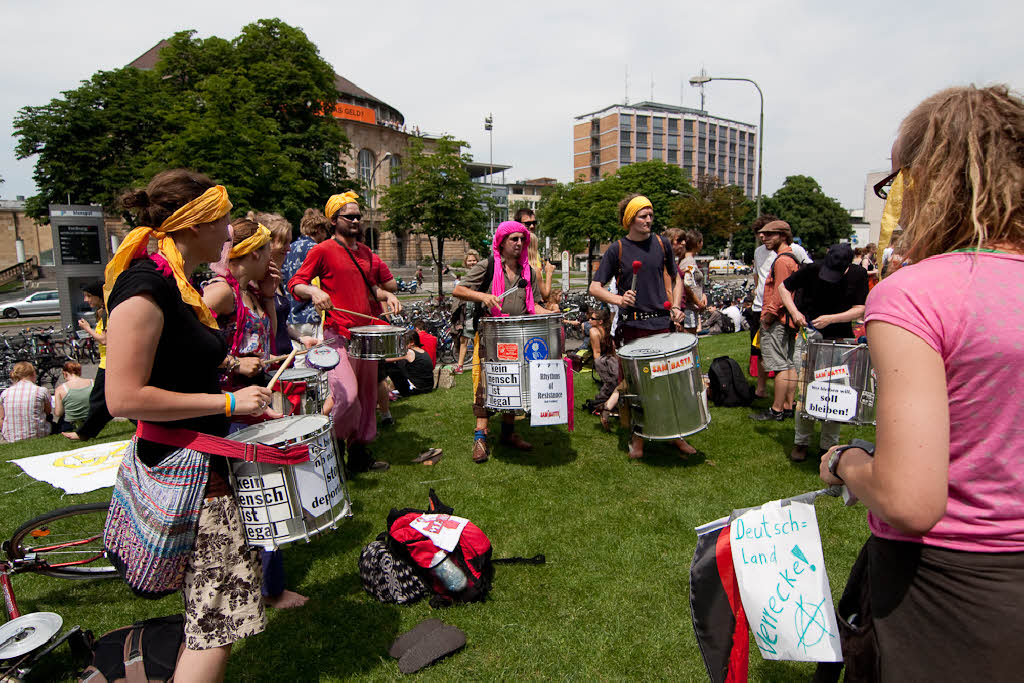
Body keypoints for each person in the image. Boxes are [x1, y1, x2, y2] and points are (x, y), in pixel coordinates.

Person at [818, 85, 1024, 681]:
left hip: (951, 588)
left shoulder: (916, 295)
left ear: (931, 180)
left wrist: (848, 462)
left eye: (897, 182)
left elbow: (911, 501)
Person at [102, 169, 271, 681]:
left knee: (207, 611)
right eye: (222, 220)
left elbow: (173, 362)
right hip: (190, 471)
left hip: (198, 460)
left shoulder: (177, 283)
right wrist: (228, 403)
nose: (229, 233)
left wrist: (229, 371)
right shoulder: (146, 288)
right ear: (194, 224)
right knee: (216, 623)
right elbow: (123, 396)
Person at [288, 191, 401, 473]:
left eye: (358, 216)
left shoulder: (365, 253)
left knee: (365, 397)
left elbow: (372, 288)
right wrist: (314, 290)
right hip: (337, 334)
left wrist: (386, 297)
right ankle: (333, 448)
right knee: (347, 396)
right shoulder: (322, 250)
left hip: (366, 335)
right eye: (348, 216)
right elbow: (296, 284)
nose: (355, 220)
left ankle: (359, 452)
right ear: (333, 219)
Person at [589, 194, 693, 460]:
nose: (649, 220)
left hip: (661, 322)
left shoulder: (661, 243)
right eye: (643, 216)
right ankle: (638, 439)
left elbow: (676, 276)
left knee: (668, 381)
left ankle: (675, 434)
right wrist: (618, 299)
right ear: (630, 220)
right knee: (637, 386)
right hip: (632, 325)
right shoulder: (617, 250)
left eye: (651, 215)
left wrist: (677, 307)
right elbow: (594, 287)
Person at [453, 220, 556, 462]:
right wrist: (483, 296)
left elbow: (534, 307)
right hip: (490, 335)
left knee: (515, 383)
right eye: (514, 239)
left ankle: (508, 433)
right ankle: (481, 437)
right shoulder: (487, 265)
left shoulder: (528, 271)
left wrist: (552, 315)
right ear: (501, 241)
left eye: (522, 239)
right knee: (485, 384)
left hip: (518, 336)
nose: (520, 243)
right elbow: (459, 290)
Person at [777, 243, 868, 461]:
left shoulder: (858, 274)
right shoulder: (812, 269)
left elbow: (861, 308)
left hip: (839, 338)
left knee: (835, 391)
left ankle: (829, 444)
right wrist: (794, 312)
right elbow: (783, 287)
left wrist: (832, 319)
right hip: (811, 335)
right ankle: (801, 441)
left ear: (847, 266)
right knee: (806, 389)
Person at [750, 215, 811, 399]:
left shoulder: (785, 258)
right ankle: (787, 403)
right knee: (784, 360)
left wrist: (770, 315)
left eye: (769, 234)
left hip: (776, 314)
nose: (763, 237)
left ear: (782, 235)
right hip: (772, 310)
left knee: (780, 364)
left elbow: (780, 290)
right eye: (762, 234)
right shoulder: (767, 254)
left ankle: (779, 407)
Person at [63, 281, 110, 441]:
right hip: (108, 363)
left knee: (97, 400)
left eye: (89, 296)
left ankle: (83, 433)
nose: (85, 299)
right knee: (108, 401)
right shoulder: (104, 311)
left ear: (98, 295)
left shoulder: (107, 312)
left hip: (109, 364)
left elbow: (104, 340)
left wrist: (87, 329)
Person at [281, 208, 330, 350]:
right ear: (319, 229)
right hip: (311, 314)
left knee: (299, 363)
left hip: (291, 316)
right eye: (324, 230)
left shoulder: (290, 247)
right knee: (316, 361)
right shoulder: (317, 249)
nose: (325, 235)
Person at [0, 362, 51, 442]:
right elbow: (48, 411)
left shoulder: (5, 393)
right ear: (33, 374)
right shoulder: (41, 391)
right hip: (37, 434)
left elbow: (2, 418)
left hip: (10, 437)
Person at [515, 208, 555, 306]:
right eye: (528, 224)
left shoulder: (535, 253)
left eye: (534, 223)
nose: (532, 226)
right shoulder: (516, 250)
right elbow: (545, 294)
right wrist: (549, 273)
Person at [588, 307, 619, 431]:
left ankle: (601, 404)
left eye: (592, 319)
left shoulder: (594, 331)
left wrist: (599, 367)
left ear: (600, 321)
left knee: (612, 383)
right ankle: (604, 405)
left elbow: (597, 352)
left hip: (604, 359)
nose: (589, 320)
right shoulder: (607, 329)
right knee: (612, 383)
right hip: (608, 359)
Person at [675, 229, 707, 334]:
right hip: (689, 308)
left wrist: (702, 295)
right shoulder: (689, 263)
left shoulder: (688, 261)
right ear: (698, 243)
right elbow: (686, 285)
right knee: (690, 338)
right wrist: (698, 303)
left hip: (692, 308)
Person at [453, 249, 481, 373]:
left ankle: (479, 363)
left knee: (479, 338)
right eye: (469, 260)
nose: (472, 262)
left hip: (478, 310)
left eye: (474, 260)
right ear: (466, 262)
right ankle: (460, 365)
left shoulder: (482, 274)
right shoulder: (464, 277)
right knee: (463, 338)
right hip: (467, 311)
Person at [53, 361, 93, 433]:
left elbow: (58, 413)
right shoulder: (92, 382)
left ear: (65, 373)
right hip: (91, 419)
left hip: (71, 423)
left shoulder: (60, 389)